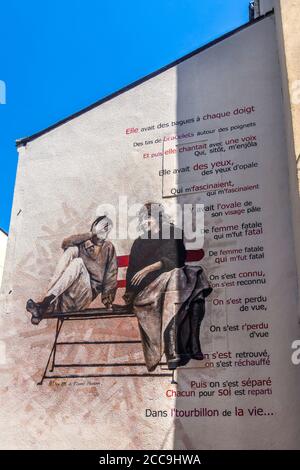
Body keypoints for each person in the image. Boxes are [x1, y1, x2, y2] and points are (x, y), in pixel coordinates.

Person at [124, 202, 212, 371]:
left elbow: (178, 258)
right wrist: (130, 294)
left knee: (193, 275)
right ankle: (178, 343)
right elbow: (132, 273)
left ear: (157, 216)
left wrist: (151, 267)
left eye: (147, 217)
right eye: (141, 219)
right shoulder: (139, 242)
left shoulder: (173, 232)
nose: (144, 222)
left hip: (172, 285)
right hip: (148, 291)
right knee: (185, 278)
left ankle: (188, 341)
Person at [26, 215, 118, 324]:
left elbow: (111, 275)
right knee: (71, 250)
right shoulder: (83, 244)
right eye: (102, 226)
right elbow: (65, 243)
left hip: (84, 297)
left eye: (107, 227)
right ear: (94, 226)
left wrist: (108, 301)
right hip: (65, 298)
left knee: (78, 262)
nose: (104, 229)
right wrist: (90, 234)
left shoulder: (108, 247)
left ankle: (44, 305)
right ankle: (45, 305)